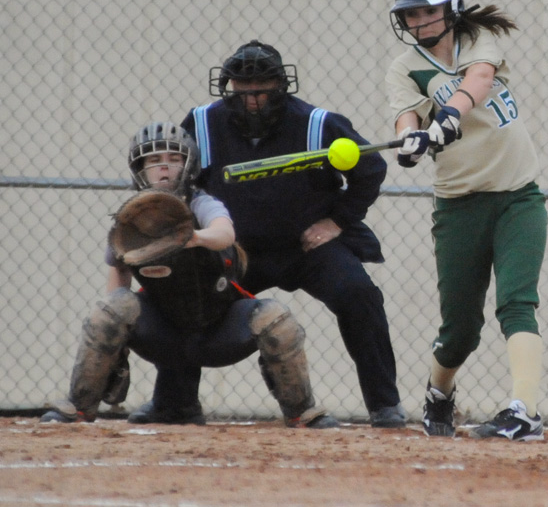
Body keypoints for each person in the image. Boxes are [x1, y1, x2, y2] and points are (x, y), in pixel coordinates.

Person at [124, 41, 405, 428]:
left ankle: (384, 406)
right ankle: (175, 403)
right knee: (188, 294)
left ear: (281, 86)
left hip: (306, 246)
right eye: (242, 90)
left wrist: (337, 221)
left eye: (262, 89)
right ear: (228, 88)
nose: (252, 99)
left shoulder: (316, 123)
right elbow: (181, 179)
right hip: (237, 249)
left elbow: (370, 168)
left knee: (359, 295)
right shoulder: (204, 122)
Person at [41, 122, 337, 429]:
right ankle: (79, 407)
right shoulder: (130, 220)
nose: (164, 167)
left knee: (275, 317)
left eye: (174, 158)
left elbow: (224, 233)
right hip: (164, 331)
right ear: (139, 169)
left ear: (189, 164)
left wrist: (193, 237)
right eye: (154, 160)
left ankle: (301, 411)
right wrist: (116, 339)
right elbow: (119, 277)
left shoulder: (200, 202)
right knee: (109, 309)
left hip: (218, 329)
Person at [385, 0, 547, 440]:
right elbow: (405, 118)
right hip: (458, 204)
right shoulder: (404, 67)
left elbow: (476, 82)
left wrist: (449, 116)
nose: (419, 23)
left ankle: (525, 411)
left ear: (452, 7)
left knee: (517, 302)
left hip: (518, 195)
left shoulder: (477, 40)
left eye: (428, 11)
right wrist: (413, 140)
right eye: (410, 15)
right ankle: (439, 392)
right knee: (460, 330)